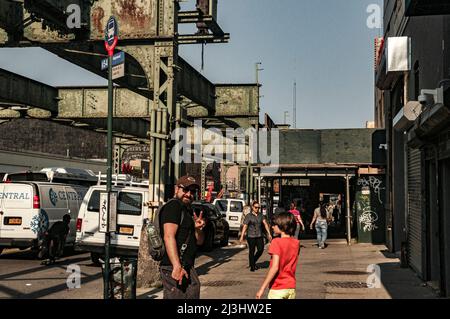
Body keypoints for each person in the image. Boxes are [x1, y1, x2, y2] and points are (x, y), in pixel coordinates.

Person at [159, 175, 206, 299]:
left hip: (187, 266)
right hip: (173, 267)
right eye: (185, 190)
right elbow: (168, 236)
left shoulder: (188, 210)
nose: (188, 194)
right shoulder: (173, 207)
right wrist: (176, 266)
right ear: (176, 189)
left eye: (192, 191)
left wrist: (198, 230)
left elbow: (199, 242)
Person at [256, 212, 300, 299]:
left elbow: (275, 267)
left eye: (275, 225)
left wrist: (262, 288)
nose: (272, 227)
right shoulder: (296, 243)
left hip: (278, 288)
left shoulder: (276, 242)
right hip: (291, 287)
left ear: (283, 226)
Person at [239, 200, 272, 272]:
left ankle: (252, 261)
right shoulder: (248, 216)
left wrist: (269, 233)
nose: (257, 209)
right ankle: (252, 266)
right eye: (256, 207)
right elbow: (245, 226)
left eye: (258, 208)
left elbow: (265, 224)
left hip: (259, 235)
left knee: (260, 249)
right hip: (251, 236)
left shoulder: (261, 215)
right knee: (252, 250)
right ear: (252, 207)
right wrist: (242, 236)